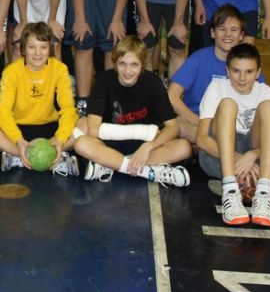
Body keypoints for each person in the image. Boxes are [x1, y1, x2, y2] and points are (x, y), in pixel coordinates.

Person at [74, 37, 191, 186]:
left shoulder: (153, 83)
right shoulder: (104, 80)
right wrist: (143, 132)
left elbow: (173, 127)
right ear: (115, 62)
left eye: (134, 64)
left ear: (143, 65)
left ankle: (110, 164)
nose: (127, 71)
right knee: (81, 144)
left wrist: (148, 147)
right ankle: (148, 173)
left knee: (184, 148)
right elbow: (93, 130)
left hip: (146, 147)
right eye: (122, 64)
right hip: (110, 145)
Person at [197, 43, 270, 227]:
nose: (242, 78)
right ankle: (230, 191)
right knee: (228, 104)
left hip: (254, 160)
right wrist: (239, 158)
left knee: (267, 106)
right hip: (217, 156)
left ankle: (263, 193)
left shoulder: (266, 92)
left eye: (249, 72)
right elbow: (201, 139)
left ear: (258, 73)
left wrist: (253, 155)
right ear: (227, 71)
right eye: (236, 71)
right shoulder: (217, 87)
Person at [0, 23, 79, 174]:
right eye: (32, 47)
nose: (38, 53)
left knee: (85, 125)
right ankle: (23, 155)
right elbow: (2, 111)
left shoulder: (59, 69)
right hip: (19, 130)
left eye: (43, 47)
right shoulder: (11, 71)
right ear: (23, 49)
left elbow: (68, 109)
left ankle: (49, 153)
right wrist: (18, 140)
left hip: (50, 129)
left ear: (50, 49)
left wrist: (60, 139)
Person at [168, 5, 256, 145]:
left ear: (241, 35)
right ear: (213, 33)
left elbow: (261, 99)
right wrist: (198, 121)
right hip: (197, 123)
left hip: (234, 125)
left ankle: (216, 147)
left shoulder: (248, 62)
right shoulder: (198, 59)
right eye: (222, 29)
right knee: (178, 125)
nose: (227, 34)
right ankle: (224, 148)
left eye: (234, 30)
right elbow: (171, 96)